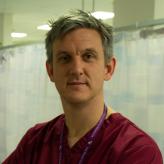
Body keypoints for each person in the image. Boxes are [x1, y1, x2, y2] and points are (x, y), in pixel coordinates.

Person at [2, 9, 163, 164]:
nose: (77, 69)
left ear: (108, 69)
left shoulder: (136, 150)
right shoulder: (36, 141)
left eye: (88, 56)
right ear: (51, 71)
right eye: (65, 58)